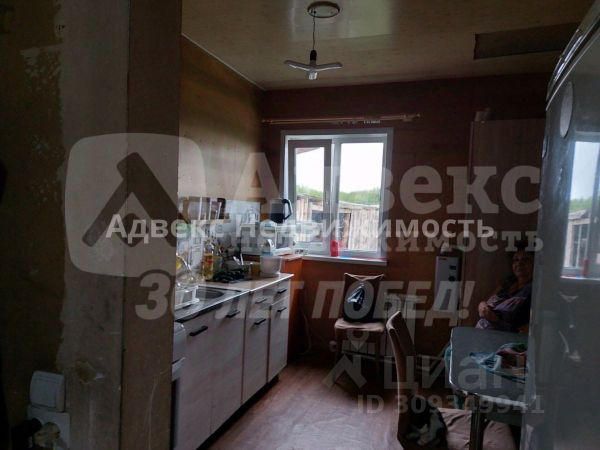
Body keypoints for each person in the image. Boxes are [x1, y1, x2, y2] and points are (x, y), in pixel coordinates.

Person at [475, 246, 534, 333]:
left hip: (503, 337)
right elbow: (485, 302)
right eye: (516, 260)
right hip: (482, 330)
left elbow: (523, 330)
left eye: (525, 260)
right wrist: (482, 306)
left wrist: (496, 320)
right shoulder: (509, 281)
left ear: (534, 263)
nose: (519, 263)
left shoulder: (534, 289)